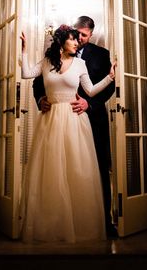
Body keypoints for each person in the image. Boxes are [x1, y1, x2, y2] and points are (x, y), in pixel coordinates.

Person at [20, 25, 115, 242]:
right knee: (52, 171)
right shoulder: (46, 62)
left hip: (75, 121)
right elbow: (26, 74)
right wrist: (24, 51)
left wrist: (109, 78)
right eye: (72, 39)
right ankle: (53, 225)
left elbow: (90, 91)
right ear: (61, 42)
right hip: (50, 120)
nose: (76, 42)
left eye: (77, 39)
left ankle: (80, 224)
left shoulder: (81, 64)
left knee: (76, 169)